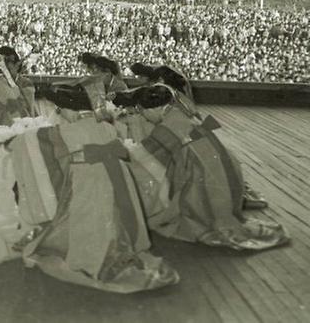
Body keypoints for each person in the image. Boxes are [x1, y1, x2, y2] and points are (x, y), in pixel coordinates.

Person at [1, 115, 180, 292]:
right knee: (113, 213)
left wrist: (18, 140)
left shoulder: (69, 130)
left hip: (89, 176)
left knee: (86, 213)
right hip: (116, 172)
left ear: (67, 110)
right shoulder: (105, 124)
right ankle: (115, 244)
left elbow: (42, 143)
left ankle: (94, 255)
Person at [112, 75, 289, 251]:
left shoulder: (169, 125)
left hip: (205, 176)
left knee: (153, 185)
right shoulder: (178, 112)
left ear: (153, 109)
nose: (143, 116)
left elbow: (145, 152)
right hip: (220, 165)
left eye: (143, 111)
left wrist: (119, 150)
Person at [0, 45, 38, 116]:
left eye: (6, 64)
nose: (3, 70)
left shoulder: (25, 83)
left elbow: (27, 111)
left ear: (16, 65)